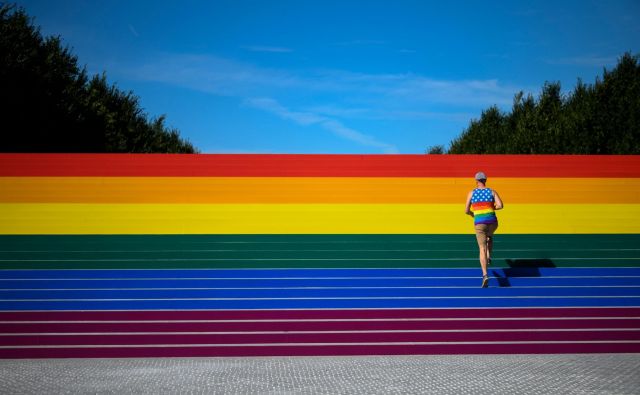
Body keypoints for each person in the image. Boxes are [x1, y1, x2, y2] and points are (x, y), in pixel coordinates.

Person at [465, 171, 503, 288]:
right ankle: (489, 256)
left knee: (482, 247)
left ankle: (485, 274)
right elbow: (500, 205)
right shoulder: (492, 191)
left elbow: (466, 210)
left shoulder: (472, 193)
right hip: (492, 222)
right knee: (489, 236)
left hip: (480, 223)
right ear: (485, 180)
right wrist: (490, 207)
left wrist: (474, 213)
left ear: (476, 181)